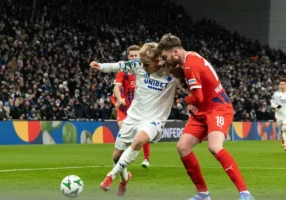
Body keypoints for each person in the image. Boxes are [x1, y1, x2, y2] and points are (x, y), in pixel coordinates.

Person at [156, 33, 255, 200]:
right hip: (202, 111)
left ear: (174, 52)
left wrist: (183, 99)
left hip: (218, 108)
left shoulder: (189, 65)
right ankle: (203, 193)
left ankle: (245, 194)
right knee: (182, 147)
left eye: (165, 56)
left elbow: (198, 98)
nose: (166, 60)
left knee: (214, 147)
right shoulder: (191, 56)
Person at [90, 42, 179, 196]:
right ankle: (124, 179)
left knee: (138, 141)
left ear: (158, 60)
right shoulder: (138, 65)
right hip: (134, 116)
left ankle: (110, 176)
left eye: (146, 64)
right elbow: (119, 66)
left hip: (155, 119)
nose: (142, 67)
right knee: (116, 156)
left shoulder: (173, 71)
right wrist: (101, 66)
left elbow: (192, 82)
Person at [110, 45, 151, 168]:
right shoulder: (123, 70)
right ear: (128, 57)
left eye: (136, 55)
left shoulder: (145, 70)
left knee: (143, 133)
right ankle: (123, 157)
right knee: (122, 126)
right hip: (124, 109)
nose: (133, 58)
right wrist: (118, 99)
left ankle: (146, 158)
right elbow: (115, 90)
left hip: (140, 110)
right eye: (131, 56)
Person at [270, 78, 286, 150]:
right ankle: (283, 140)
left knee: (284, 128)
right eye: (281, 84)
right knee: (281, 130)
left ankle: (285, 144)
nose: (282, 85)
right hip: (279, 115)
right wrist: (276, 106)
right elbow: (272, 103)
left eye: (284, 84)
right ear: (279, 85)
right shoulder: (276, 94)